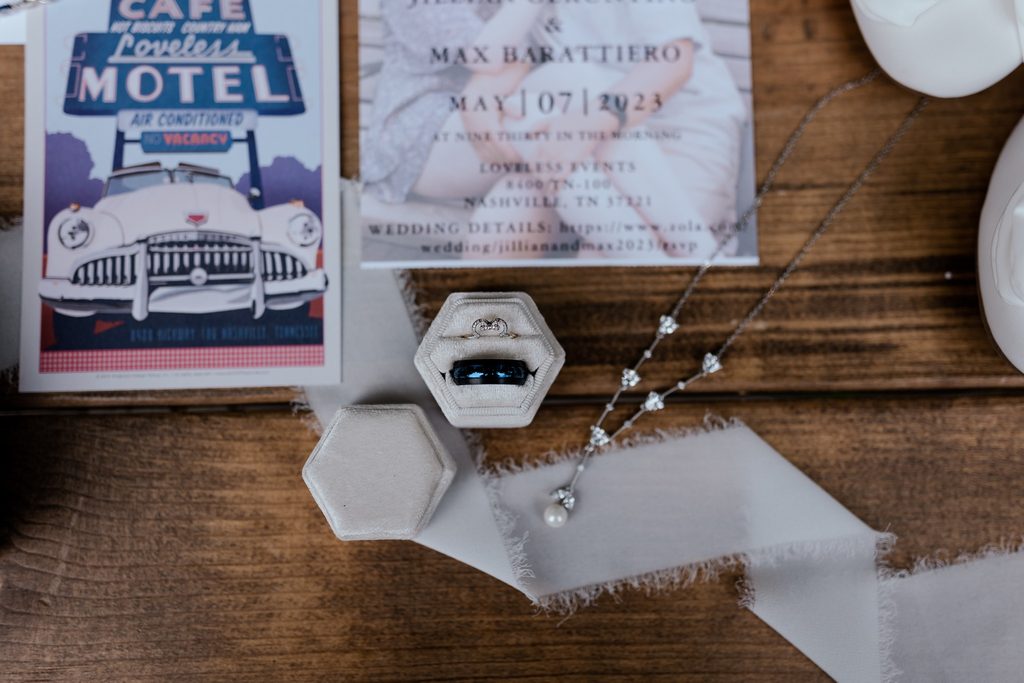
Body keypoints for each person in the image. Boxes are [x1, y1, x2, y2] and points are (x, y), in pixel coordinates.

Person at [362, 0, 747, 261]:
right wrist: (482, 92)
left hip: (680, 128)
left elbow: (674, 63)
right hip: (584, 134)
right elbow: (508, 63)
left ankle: (698, 256)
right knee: (523, 214)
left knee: (619, 270)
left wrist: (591, 124)